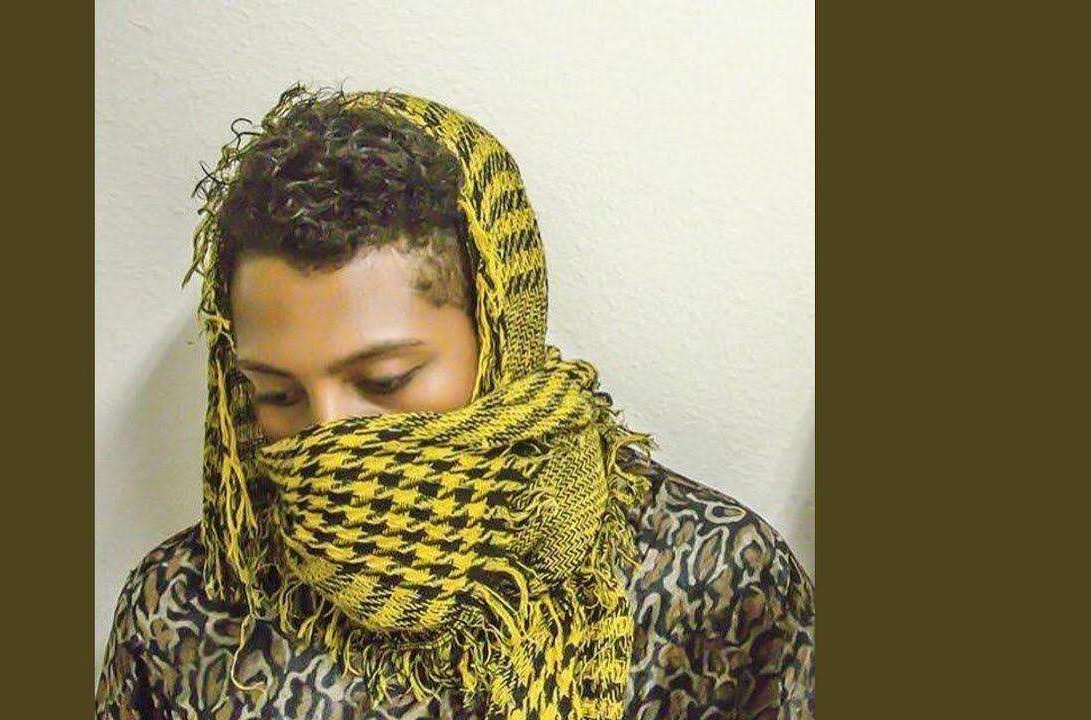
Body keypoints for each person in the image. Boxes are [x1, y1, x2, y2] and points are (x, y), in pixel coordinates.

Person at [96, 86, 815, 720]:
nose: (330, 436)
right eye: (277, 394)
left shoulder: (713, 581)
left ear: (501, 338)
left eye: (386, 380)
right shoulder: (186, 607)